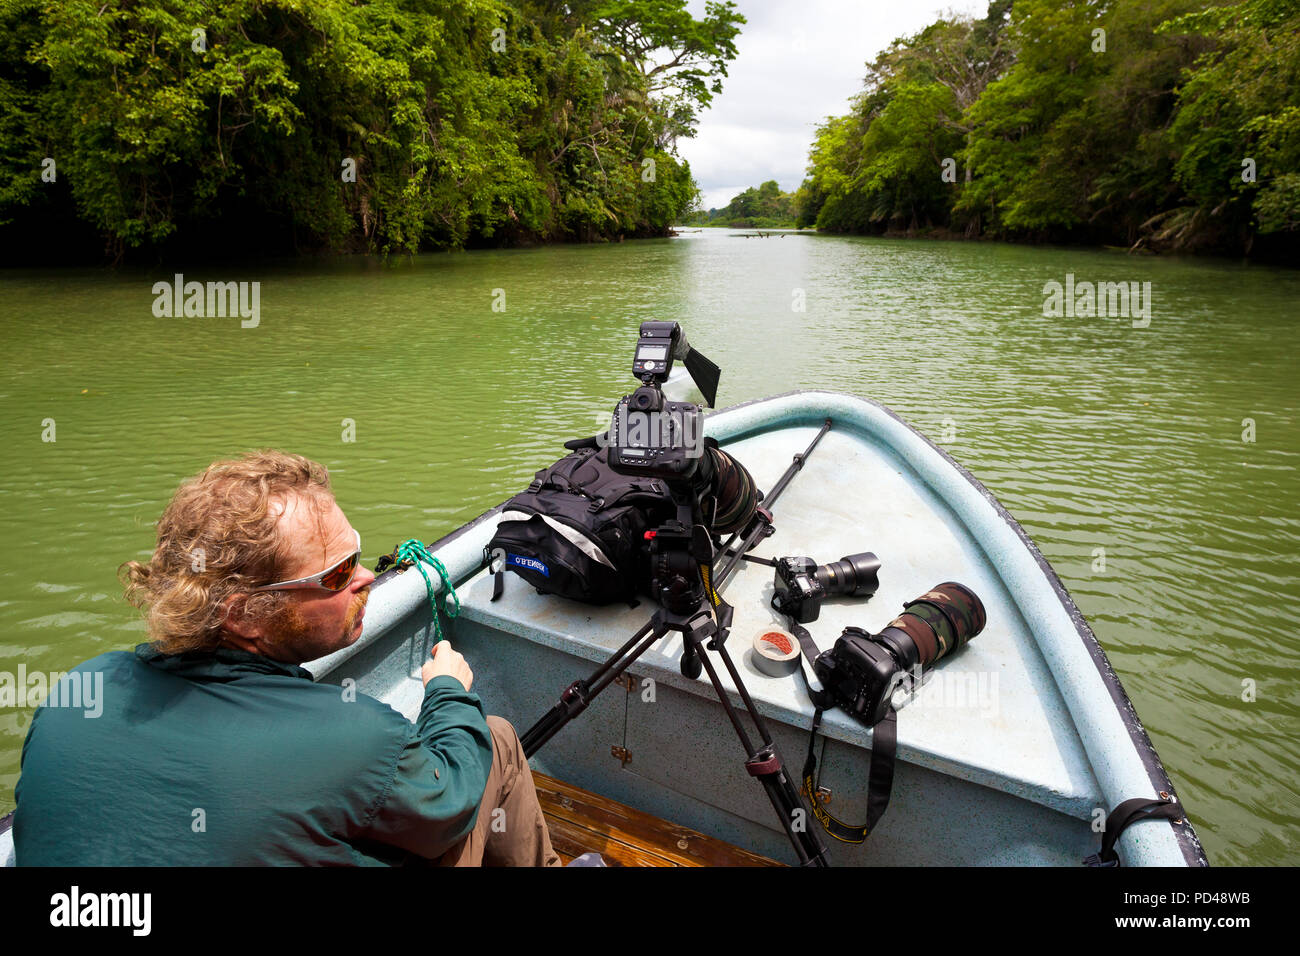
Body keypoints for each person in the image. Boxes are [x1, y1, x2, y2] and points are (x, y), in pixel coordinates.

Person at [14, 450, 559, 866]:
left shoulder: (78, 687)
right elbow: (450, 804)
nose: (369, 577)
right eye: (340, 573)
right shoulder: (353, 735)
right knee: (494, 739)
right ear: (244, 615)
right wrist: (446, 692)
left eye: (358, 556)